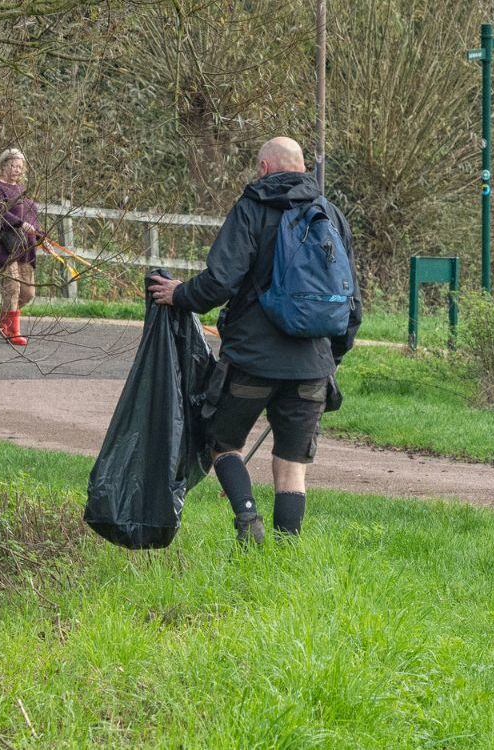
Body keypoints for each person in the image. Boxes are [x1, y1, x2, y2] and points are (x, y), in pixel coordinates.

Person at [149, 137, 358, 544]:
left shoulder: (251, 209)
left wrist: (179, 294)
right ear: (302, 168)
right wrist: (333, 355)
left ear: (263, 168)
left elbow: (220, 281)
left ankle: (247, 519)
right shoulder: (330, 214)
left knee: (222, 441)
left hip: (252, 359)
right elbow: (352, 299)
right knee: (292, 461)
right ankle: (287, 548)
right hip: (312, 365)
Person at [0, 147, 40, 346]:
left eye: (20, 166)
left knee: (28, 292)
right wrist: (18, 222)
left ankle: (1, 319)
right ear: (4, 165)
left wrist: (42, 238)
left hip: (24, 246)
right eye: (14, 165)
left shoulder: (21, 190)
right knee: (13, 286)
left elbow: (32, 217)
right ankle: (12, 331)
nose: (17, 169)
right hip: (3, 244)